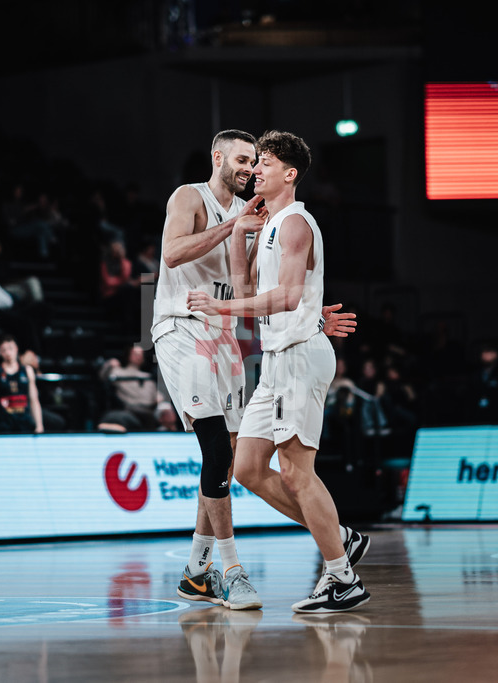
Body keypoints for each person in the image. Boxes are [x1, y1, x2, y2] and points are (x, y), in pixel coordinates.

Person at [154, 129, 359, 613]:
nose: (250, 169)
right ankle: (232, 570)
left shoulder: (271, 220)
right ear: (218, 156)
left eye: (258, 161)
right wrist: (233, 227)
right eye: (245, 160)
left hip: (234, 335)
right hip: (182, 326)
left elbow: (260, 288)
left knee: (231, 461)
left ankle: (197, 573)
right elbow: (170, 255)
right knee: (220, 451)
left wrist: (310, 312)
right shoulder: (191, 196)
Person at [0, 334, 43, 434]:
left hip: (24, 423)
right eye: (4, 350)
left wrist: (39, 425)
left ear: (16, 349)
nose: (8, 352)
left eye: (10, 348)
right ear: (0, 352)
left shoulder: (27, 371)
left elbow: (34, 400)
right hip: (3, 424)